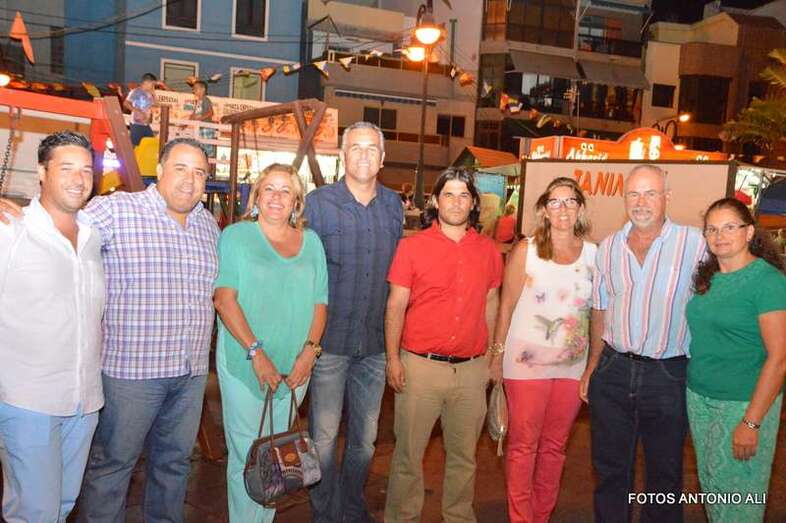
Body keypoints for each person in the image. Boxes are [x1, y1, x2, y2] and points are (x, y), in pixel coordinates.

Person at [580, 164, 705, 522]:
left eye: (651, 193)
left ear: (667, 197)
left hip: (668, 373)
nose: (641, 202)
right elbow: (600, 310)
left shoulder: (695, 244)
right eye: (634, 194)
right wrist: (593, 366)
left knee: (664, 474)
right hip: (613, 370)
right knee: (610, 469)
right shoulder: (608, 247)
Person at [384, 167, 503, 523]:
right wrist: (393, 359)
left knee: (464, 459)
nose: (456, 202)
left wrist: (492, 357)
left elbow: (492, 302)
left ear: (474, 203)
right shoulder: (411, 247)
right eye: (448, 194)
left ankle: (458, 517)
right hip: (419, 368)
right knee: (408, 457)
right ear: (436, 201)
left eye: (464, 195)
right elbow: (396, 306)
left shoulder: (488, 251)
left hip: (471, 371)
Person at [213, 163, 328, 522]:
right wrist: (256, 354)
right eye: (269, 189)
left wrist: (309, 353)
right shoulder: (236, 236)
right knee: (247, 455)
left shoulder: (312, 243)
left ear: (297, 201)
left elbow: (320, 303)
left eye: (285, 190)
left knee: (276, 455)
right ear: (257, 196)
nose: (277, 197)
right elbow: (224, 300)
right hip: (246, 364)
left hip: (294, 370)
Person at [0, 131, 104, 522]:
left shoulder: (93, 236)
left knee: (62, 506)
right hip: (28, 401)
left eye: (86, 170)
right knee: (34, 512)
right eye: (66, 168)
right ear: (42, 172)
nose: (79, 179)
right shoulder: (11, 229)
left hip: (84, 403)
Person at [305, 121, 403, 523]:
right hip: (329, 343)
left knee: (365, 440)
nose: (364, 155)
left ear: (383, 158)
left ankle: (350, 506)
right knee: (324, 439)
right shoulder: (317, 203)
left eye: (371, 148)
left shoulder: (393, 205)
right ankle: (325, 512)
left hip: (376, 346)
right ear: (342, 155)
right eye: (356, 148)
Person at [490, 177, 595, 523]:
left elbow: (598, 313)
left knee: (554, 448)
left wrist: (593, 365)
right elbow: (506, 306)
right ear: (544, 210)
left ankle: (541, 515)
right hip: (525, 367)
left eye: (570, 201)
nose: (562, 209)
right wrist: (497, 355)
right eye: (555, 202)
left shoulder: (594, 255)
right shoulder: (527, 250)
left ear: (580, 208)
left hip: (572, 369)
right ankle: (521, 517)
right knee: (523, 446)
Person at [686, 198, 786, 523]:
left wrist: (751, 422)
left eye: (730, 227)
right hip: (700, 398)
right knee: (714, 489)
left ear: (749, 232)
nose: (720, 236)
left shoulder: (768, 282)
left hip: (743, 404)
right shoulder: (709, 278)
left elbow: (780, 359)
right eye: (712, 229)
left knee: (741, 500)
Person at [124, 72, 157, 146]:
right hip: (136, 123)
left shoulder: (149, 93)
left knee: (150, 144)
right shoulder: (136, 91)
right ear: (147, 82)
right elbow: (126, 103)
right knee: (135, 146)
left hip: (146, 123)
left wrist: (154, 94)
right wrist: (136, 111)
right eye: (152, 84)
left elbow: (156, 105)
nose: (153, 86)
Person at [189, 80, 216, 158]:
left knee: (207, 150)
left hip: (206, 128)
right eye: (193, 89)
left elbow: (210, 113)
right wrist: (185, 124)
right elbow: (193, 115)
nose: (193, 91)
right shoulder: (198, 102)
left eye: (195, 88)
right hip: (200, 128)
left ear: (203, 89)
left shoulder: (205, 100)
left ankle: (209, 163)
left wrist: (199, 119)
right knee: (201, 148)